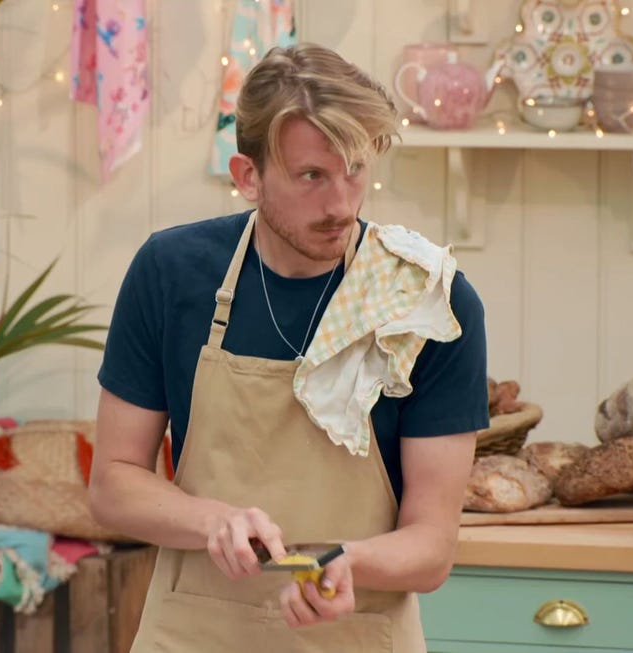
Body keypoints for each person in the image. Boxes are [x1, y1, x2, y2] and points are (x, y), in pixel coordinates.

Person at [89, 42, 488, 652]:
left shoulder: (427, 301)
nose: (342, 204)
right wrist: (213, 521)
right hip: (193, 634)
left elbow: (432, 546)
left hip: (355, 636)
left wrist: (345, 562)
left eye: (356, 168)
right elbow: (113, 483)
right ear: (247, 176)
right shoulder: (170, 274)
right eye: (312, 177)